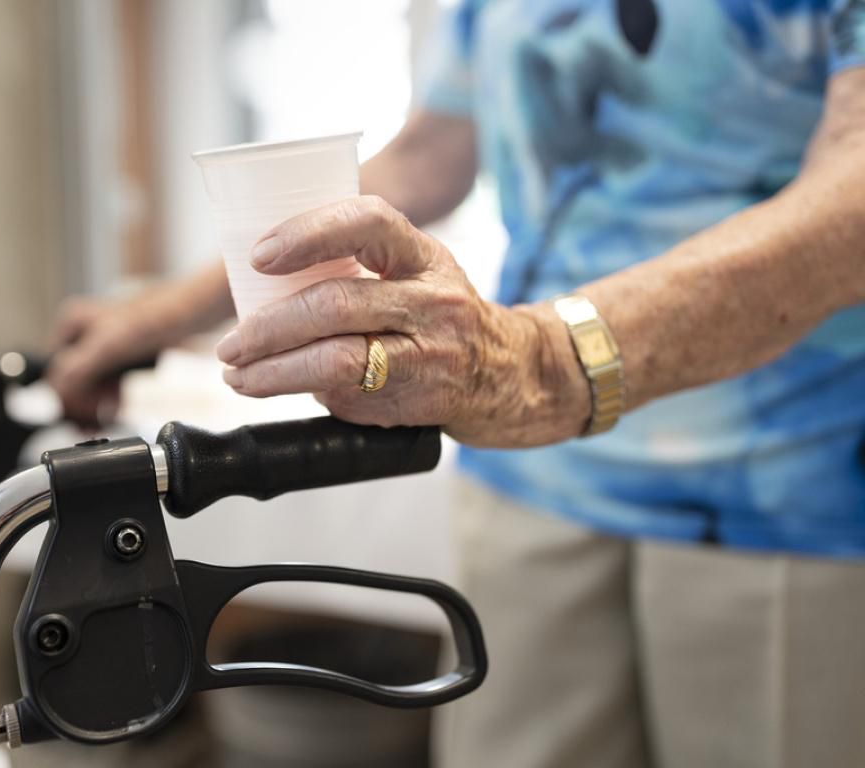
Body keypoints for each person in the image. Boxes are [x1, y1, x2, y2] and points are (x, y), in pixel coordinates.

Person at [48, 2, 865, 766]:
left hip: (785, 477)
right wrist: (165, 313)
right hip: (533, 471)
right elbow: (428, 155)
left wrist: (538, 361)